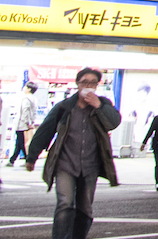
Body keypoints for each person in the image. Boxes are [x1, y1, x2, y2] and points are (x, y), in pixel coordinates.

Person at [26, 67, 121, 239]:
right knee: (65, 204)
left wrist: (98, 106)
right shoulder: (65, 107)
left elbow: (114, 122)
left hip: (90, 166)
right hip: (65, 164)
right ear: (77, 84)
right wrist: (32, 156)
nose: (88, 86)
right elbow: (45, 130)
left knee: (85, 209)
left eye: (93, 83)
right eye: (84, 82)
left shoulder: (103, 105)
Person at [10, 82, 39, 168]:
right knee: (20, 142)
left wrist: (27, 122)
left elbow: (25, 111)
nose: (24, 88)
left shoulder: (26, 99)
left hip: (21, 124)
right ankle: (13, 160)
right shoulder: (33, 99)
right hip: (26, 124)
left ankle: (28, 160)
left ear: (29, 89)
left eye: (25, 87)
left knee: (21, 142)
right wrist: (32, 122)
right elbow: (33, 112)